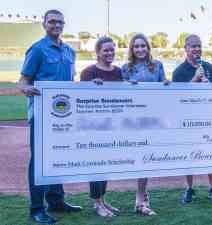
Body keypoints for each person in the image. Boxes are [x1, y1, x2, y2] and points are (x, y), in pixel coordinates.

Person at [18, 9, 82, 224]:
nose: (56, 25)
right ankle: (37, 208)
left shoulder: (70, 52)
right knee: (40, 161)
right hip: (42, 115)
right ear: (44, 24)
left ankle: (56, 201)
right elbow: (23, 81)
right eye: (52, 22)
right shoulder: (37, 50)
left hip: (63, 116)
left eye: (60, 22)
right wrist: (26, 89)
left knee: (59, 157)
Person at [172, 34, 212, 204]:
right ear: (185, 49)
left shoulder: (211, 68)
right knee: (189, 155)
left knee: (210, 153)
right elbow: (175, 97)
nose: (196, 49)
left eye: (199, 46)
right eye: (192, 46)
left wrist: (211, 86)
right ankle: (189, 188)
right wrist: (194, 80)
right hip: (188, 120)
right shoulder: (179, 71)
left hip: (209, 119)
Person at [121, 33, 167, 216]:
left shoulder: (157, 66)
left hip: (152, 120)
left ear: (148, 48)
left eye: (143, 46)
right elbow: (119, 92)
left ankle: (141, 198)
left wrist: (166, 84)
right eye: (136, 46)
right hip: (132, 120)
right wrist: (126, 85)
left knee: (145, 159)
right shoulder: (126, 68)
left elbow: (163, 87)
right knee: (135, 158)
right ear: (132, 49)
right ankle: (139, 199)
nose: (140, 49)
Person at [80, 36, 121, 217]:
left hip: (112, 125)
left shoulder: (118, 71)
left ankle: (103, 199)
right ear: (97, 52)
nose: (109, 53)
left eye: (112, 50)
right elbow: (81, 98)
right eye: (106, 50)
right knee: (96, 164)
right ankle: (96, 202)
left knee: (106, 164)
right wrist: (90, 87)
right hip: (94, 126)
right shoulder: (88, 72)